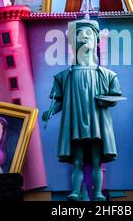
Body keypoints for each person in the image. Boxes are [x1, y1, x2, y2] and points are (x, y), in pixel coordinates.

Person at [42, 19, 123, 201]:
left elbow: (115, 96)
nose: (85, 38)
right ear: (73, 42)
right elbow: (58, 101)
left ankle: (97, 192)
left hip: (97, 122)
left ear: (96, 40)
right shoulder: (64, 76)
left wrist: (108, 101)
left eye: (89, 35)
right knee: (77, 160)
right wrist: (51, 111)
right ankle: (76, 191)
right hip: (75, 122)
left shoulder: (107, 75)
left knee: (96, 160)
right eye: (80, 35)